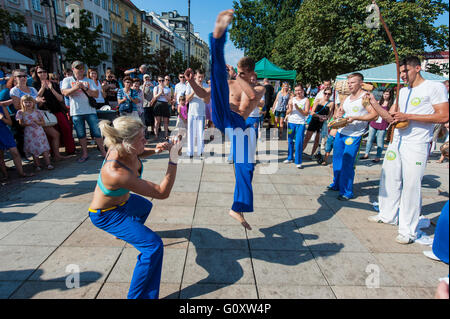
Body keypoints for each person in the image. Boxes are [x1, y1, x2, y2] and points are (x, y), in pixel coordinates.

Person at [88, 116, 181, 299]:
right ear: (126, 142)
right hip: (106, 214)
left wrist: (155, 150)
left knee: (144, 206)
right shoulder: (115, 171)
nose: (146, 140)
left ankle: (127, 232)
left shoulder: (125, 148)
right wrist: (173, 159)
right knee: (153, 246)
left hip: (125, 202)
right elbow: (162, 192)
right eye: (142, 138)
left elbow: (137, 152)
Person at [367, 56, 449, 244]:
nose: (402, 75)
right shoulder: (403, 92)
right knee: (389, 179)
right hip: (397, 142)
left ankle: (408, 230)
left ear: (418, 68)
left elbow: (444, 116)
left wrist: (409, 116)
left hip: (417, 144)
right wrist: (374, 103)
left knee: (411, 187)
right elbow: (390, 117)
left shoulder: (434, 87)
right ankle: (387, 215)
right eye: (400, 72)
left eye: (405, 71)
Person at [206, 9, 266, 230]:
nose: (242, 75)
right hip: (225, 116)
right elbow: (209, 94)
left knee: (246, 167)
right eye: (241, 72)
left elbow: (251, 96)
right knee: (218, 75)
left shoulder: (259, 87)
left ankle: (237, 208)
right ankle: (218, 37)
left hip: (240, 124)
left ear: (251, 73)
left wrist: (237, 76)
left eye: (245, 73)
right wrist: (231, 76)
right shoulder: (235, 81)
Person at [328, 73, 378, 201]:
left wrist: (356, 118)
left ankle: (346, 191)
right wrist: (337, 117)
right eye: (349, 83)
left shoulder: (364, 98)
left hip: (354, 135)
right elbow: (340, 111)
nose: (350, 85)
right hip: (341, 132)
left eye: (353, 82)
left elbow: (374, 115)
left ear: (361, 83)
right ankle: (336, 184)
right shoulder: (347, 98)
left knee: (348, 163)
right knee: (337, 160)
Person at [61, 61, 107, 163]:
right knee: (81, 134)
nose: (80, 70)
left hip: (90, 110)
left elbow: (95, 94)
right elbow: (65, 93)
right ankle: (85, 153)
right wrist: (76, 87)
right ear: (73, 69)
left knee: (97, 132)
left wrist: (85, 88)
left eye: (82, 68)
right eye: (78, 68)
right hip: (76, 111)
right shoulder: (67, 80)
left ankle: (103, 152)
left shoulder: (89, 81)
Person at [32, 65, 74, 158]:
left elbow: (60, 98)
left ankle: (70, 150)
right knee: (51, 134)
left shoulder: (54, 84)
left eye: (44, 71)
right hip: (45, 112)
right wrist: (42, 88)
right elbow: (36, 99)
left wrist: (51, 88)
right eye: (40, 72)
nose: (42, 74)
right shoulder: (35, 85)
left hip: (57, 109)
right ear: (36, 74)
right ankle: (53, 153)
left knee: (66, 128)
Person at [10, 69, 46, 159]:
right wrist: (34, 101)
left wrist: (40, 101)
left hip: (37, 118)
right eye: (19, 76)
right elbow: (17, 106)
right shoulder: (14, 91)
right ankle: (34, 161)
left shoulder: (32, 89)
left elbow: (39, 103)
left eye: (24, 76)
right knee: (29, 141)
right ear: (15, 78)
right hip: (26, 120)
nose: (23, 78)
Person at [16, 95, 53, 171]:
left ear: (33, 103)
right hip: (29, 133)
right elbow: (20, 123)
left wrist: (37, 122)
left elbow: (43, 122)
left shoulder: (37, 112)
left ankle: (48, 163)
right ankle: (37, 165)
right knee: (33, 149)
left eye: (29, 102)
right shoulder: (21, 112)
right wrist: (25, 124)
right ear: (22, 103)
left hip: (39, 132)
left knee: (44, 148)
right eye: (25, 102)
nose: (28, 104)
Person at [0, 102, 33, 179]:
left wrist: (2, 118)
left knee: (15, 152)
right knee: (0, 156)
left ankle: (21, 173)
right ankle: (5, 175)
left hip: (4, 132)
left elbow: (10, 123)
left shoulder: (2, 107)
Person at [361, 88, 394, 163]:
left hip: (383, 125)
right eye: (384, 93)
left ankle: (378, 157)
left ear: (390, 95)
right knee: (369, 139)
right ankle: (366, 154)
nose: (385, 95)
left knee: (380, 141)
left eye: (387, 94)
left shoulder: (391, 105)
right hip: (374, 123)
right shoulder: (378, 102)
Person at [303, 87, 334, 160]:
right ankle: (300, 152)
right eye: (325, 93)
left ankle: (312, 154)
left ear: (331, 95)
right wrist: (319, 116)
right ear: (323, 93)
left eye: (329, 94)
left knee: (317, 140)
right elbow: (312, 112)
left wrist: (325, 118)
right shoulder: (317, 100)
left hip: (322, 123)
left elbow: (329, 114)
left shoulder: (331, 103)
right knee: (307, 138)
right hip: (314, 121)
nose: (327, 95)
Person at [284, 83, 310, 169]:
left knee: (298, 142)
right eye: (296, 90)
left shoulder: (306, 100)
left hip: (300, 123)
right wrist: (290, 109)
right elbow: (287, 112)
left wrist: (298, 109)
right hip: (291, 122)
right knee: (290, 140)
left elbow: (306, 113)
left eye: (299, 90)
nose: (298, 92)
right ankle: (290, 157)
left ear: (303, 90)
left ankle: (298, 161)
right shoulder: (292, 99)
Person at [185, 69, 208, 158]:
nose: (200, 79)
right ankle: (190, 152)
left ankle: (200, 151)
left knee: (200, 134)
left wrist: (201, 90)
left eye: (202, 77)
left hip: (201, 113)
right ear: (195, 76)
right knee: (191, 133)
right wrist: (195, 90)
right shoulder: (190, 85)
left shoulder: (206, 85)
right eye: (199, 77)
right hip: (191, 112)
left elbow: (206, 100)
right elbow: (187, 99)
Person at [141, 74, 155, 139]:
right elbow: (142, 94)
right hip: (145, 104)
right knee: (146, 118)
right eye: (145, 78)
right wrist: (144, 85)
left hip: (152, 103)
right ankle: (146, 131)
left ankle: (152, 130)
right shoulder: (141, 86)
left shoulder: (152, 86)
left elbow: (155, 94)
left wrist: (152, 86)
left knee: (152, 117)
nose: (147, 80)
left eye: (148, 78)